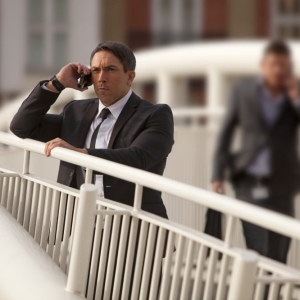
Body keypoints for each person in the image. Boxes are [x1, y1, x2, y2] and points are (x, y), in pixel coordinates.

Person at [10, 41, 174, 219]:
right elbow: (21, 127)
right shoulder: (76, 111)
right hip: (82, 225)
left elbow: (138, 157)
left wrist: (81, 154)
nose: (102, 77)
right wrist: (57, 83)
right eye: (96, 70)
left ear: (130, 77)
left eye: (110, 69)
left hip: (135, 230)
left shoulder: (155, 115)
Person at [212, 40, 300, 264]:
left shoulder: (295, 93)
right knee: (258, 250)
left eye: (283, 65)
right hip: (249, 183)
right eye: (274, 64)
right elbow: (226, 132)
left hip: (283, 185)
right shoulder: (243, 90)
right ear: (263, 65)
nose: (278, 70)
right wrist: (217, 175)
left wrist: (295, 97)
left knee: (279, 253)